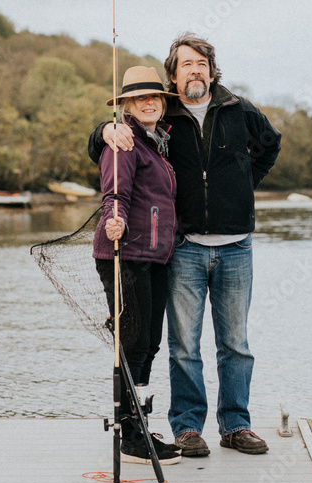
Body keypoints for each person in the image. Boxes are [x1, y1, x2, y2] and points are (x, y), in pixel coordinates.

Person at [89, 34, 281, 457]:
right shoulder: (161, 114)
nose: (195, 70)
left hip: (236, 248)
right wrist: (104, 129)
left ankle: (235, 425)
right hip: (185, 248)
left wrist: (243, 185)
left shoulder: (238, 109)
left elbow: (270, 145)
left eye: (201, 63)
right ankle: (188, 428)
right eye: (185, 64)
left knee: (236, 344)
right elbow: (107, 148)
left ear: (212, 71)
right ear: (173, 76)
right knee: (183, 347)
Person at [92, 65, 181, 465]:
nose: (149, 102)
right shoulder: (123, 141)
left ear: (163, 104)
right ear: (126, 104)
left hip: (156, 257)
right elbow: (116, 194)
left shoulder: (158, 142)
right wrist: (117, 219)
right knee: (131, 344)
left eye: (155, 96)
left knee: (150, 343)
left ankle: (141, 425)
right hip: (124, 253)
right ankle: (129, 436)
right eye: (140, 97)